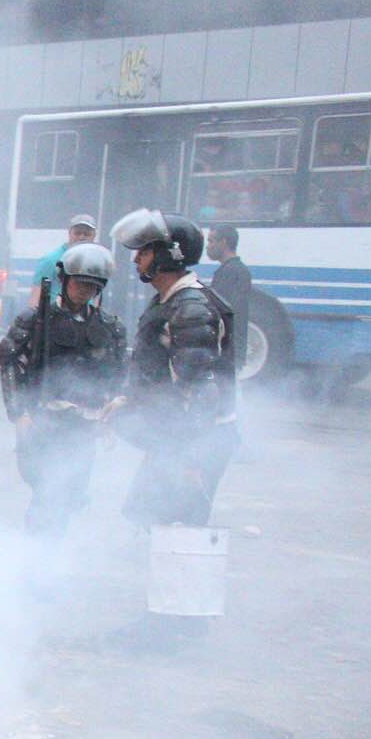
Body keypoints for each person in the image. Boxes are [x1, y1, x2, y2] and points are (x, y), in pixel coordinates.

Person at [108, 209, 238, 528]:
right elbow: (154, 370)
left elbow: (201, 393)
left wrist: (191, 462)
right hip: (177, 436)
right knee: (144, 515)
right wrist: (125, 401)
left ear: (169, 254)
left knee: (178, 531)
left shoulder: (190, 309)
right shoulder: (169, 301)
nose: (137, 258)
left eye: (146, 251)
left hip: (196, 439)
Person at [0, 242, 127, 535]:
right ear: (65, 280)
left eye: (92, 286)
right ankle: (37, 560)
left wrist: (112, 411)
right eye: (80, 283)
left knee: (70, 496)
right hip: (44, 421)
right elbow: (9, 360)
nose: (84, 291)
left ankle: (49, 557)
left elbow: (119, 374)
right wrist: (19, 413)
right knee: (46, 493)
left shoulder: (110, 327)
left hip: (84, 425)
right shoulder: (35, 320)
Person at [205, 224, 252, 371]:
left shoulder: (232, 272)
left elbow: (227, 313)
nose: (208, 246)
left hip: (227, 353)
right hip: (229, 352)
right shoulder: (233, 270)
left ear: (223, 242)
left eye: (211, 241)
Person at [31, 214, 98, 310]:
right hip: (54, 320)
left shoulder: (95, 263)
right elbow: (35, 299)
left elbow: (95, 300)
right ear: (69, 233)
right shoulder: (50, 260)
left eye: (86, 234)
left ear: (94, 236)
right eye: (77, 233)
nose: (81, 237)